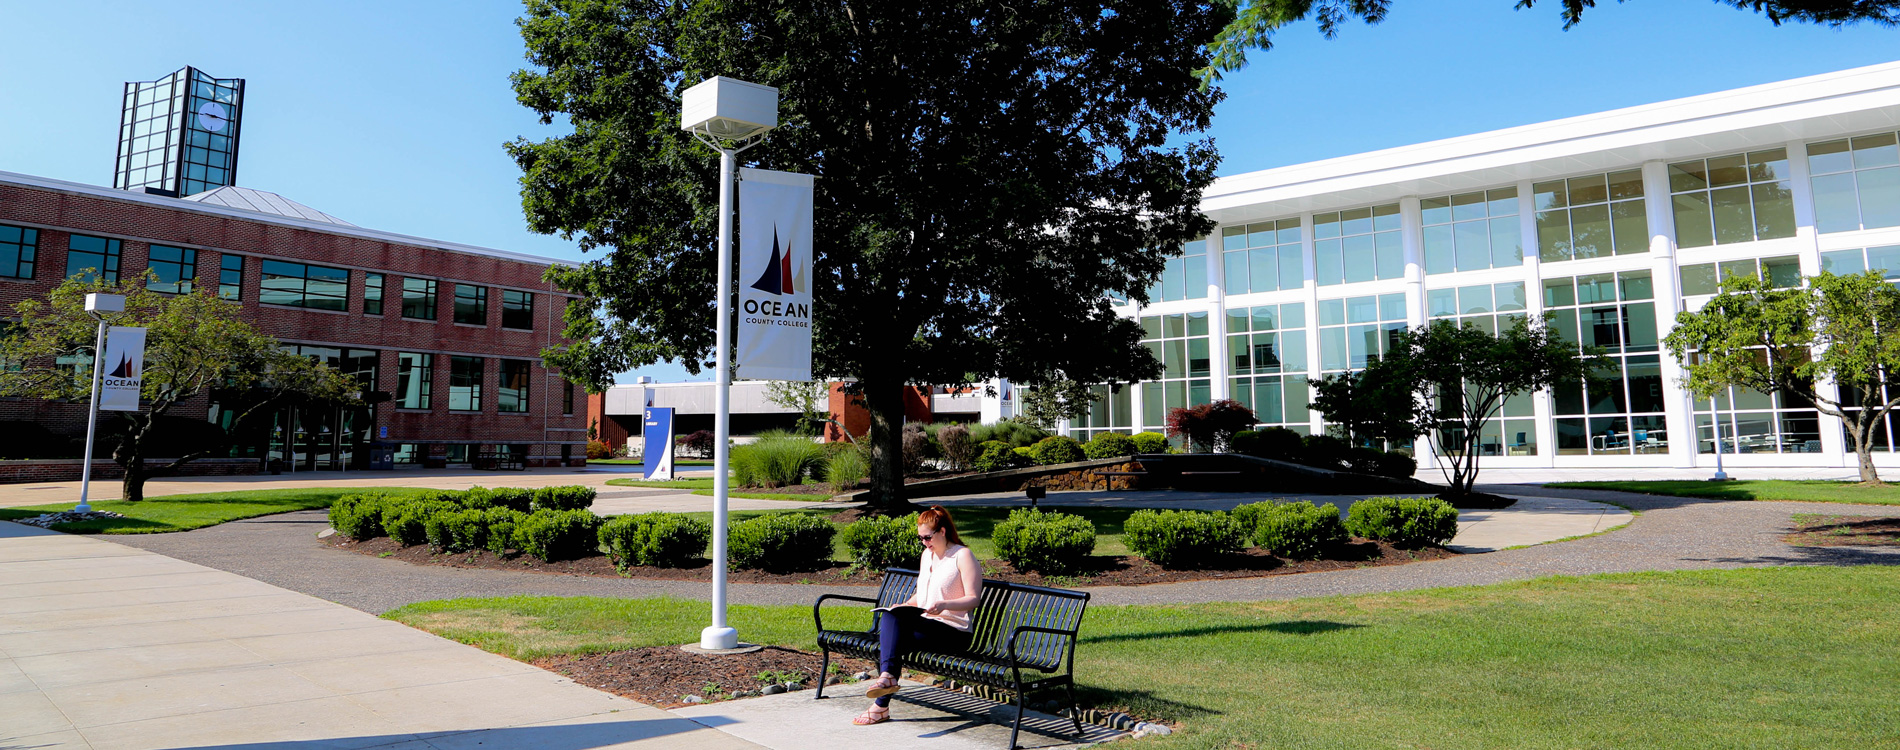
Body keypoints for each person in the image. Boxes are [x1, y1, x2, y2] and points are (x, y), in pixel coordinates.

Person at [853, 505, 982, 726]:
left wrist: (945, 605)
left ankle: (882, 700)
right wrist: (904, 605)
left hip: (954, 631)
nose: (924, 542)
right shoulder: (927, 556)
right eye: (921, 538)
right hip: (929, 626)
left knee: (894, 636)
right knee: (892, 618)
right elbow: (922, 595)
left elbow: (974, 598)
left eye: (928, 537)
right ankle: (884, 693)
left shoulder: (962, 556)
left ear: (942, 531)